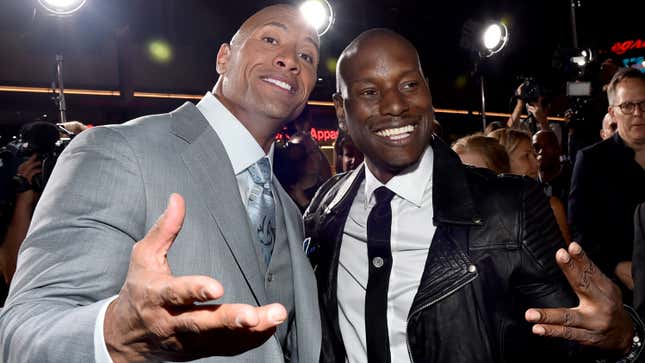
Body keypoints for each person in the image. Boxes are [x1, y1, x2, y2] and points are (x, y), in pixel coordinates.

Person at [0, 5, 321, 363]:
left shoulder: (289, 211)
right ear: (223, 58)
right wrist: (116, 338)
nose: (290, 60)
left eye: (307, 56)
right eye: (271, 38)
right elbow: (25, 329)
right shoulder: (117, 151)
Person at [304, 28, 641, 363]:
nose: (395, 104)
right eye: (369, 91)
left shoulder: (510, 208)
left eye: (409, 84)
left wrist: (626, 339)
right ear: (339, 111)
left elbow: (575, 332)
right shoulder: (326, 207)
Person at [569, 67, 645, 297]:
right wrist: (615, 266)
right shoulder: (592, 161)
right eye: (627, 106)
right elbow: (581, 233)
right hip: (622, 295)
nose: (638, 113)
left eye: (644, 103)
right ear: (612, 112)